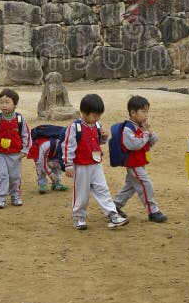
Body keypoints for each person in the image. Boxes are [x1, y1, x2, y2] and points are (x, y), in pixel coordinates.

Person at [62, 94, 128, 230]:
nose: (97, 118)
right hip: (81, 166)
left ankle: (112, 215)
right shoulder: (75, 127)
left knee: (103, 189)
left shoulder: (97, 125)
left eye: (99, 115)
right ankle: (78, 217)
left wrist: (104, 138)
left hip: (96, 164)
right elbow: (68, 145)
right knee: (81, 193)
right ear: (84, 113)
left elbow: (98, 142)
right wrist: (68, 164)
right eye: (94, 115)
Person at [113, 95, 167, 223]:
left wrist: (148, 132)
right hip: (133, 163)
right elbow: (134, 145)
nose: (146, 115)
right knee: (145, 183)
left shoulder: (140, 126)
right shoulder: (128, 128)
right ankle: (153, 211)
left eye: (147, 111)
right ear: (133, 112)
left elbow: (152, 141)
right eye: (143, 111)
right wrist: (146, 133)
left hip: (139, 162)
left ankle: (114, 206)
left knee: (130, 186)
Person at [0, 89, 30, 208]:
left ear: (15, 105)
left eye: (7, 102)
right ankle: (1, 197)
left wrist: (24, 150)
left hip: (16, 155)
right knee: (2, 175)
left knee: (15, 176)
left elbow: (26, 135)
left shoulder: (20, 119)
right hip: (1, 154)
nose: (4, 105)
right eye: (1, 102)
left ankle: (15, 195)